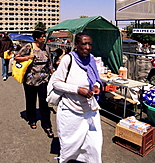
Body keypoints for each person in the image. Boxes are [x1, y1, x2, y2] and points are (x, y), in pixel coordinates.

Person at [49, 32, 103, 163]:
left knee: (94, 143)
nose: (88, 47)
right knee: (70, 145)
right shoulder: (68, 59)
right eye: (84, 44)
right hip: (70, 110)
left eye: (90, 44)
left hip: (89, 110)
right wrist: (77, 90)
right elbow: (56, 83)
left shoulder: (91, 59)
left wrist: (96, 86)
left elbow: (96, 78)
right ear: (76, 45)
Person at [14, 30, 54, 138]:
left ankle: (47, 125)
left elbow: (49, 62)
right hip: (30, 80)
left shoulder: (46, 47)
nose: (43, 38)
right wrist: (27, 57)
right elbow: (16, 57)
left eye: (44, 36)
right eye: (42, 36)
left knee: (44, 102)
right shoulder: (28, 46)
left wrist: (53, 73)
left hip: (43, 79)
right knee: (31, 100)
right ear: (36, 38)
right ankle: (32, 119)